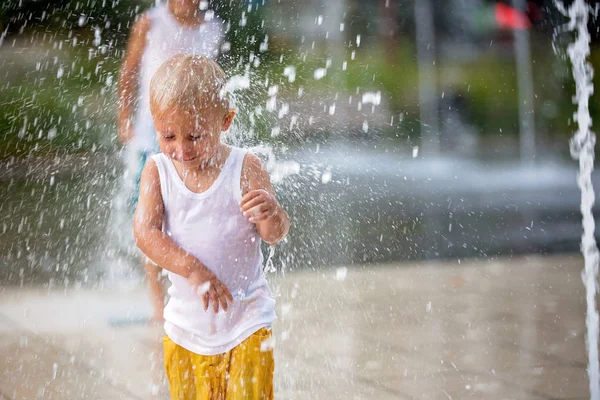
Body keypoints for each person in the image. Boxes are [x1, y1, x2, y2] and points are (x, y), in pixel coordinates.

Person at [133, 54, 290, 399]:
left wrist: (272, 213)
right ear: (155, 124)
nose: (182, 149)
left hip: (247, 321)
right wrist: (193, 270)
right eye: (169, 135)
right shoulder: (157, 172)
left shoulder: (245, 167)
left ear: (226, 120)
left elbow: (273, 235)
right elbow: (145, 234)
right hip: (186, 329)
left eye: (195, 136)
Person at [117, 0, 224, 321]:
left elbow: (214, 84)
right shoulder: (151, 22)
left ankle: (197, 286)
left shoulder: (212, 28)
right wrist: (124, 117)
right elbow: (130, 70)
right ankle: (157, 302)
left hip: (197, 137)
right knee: (152, 214)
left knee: (196, 207)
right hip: (154, 135)